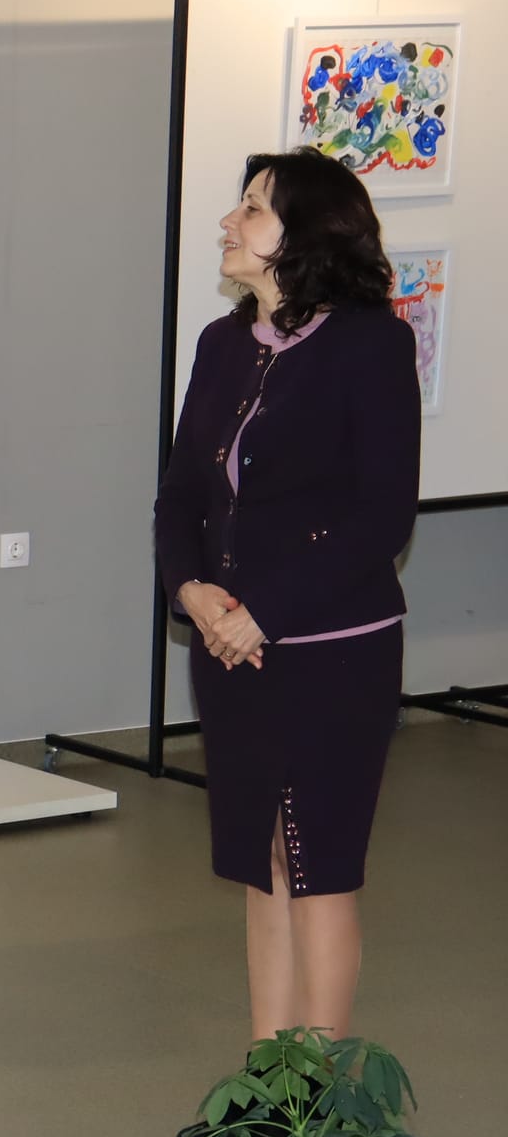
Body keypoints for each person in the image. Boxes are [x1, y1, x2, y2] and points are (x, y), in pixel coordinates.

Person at [154, 147, 419, 1049]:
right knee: (261, 863)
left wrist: (261, 612)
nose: (229, 223)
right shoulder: (222, 344)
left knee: (319, 867)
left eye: (253, 209)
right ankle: (266, 1080)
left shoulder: (371, 344)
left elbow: (381, 514)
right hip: (230, 648)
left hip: (331, 652)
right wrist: (190, 589)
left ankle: (319, 1094)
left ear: (306, 236)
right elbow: (180, 494)